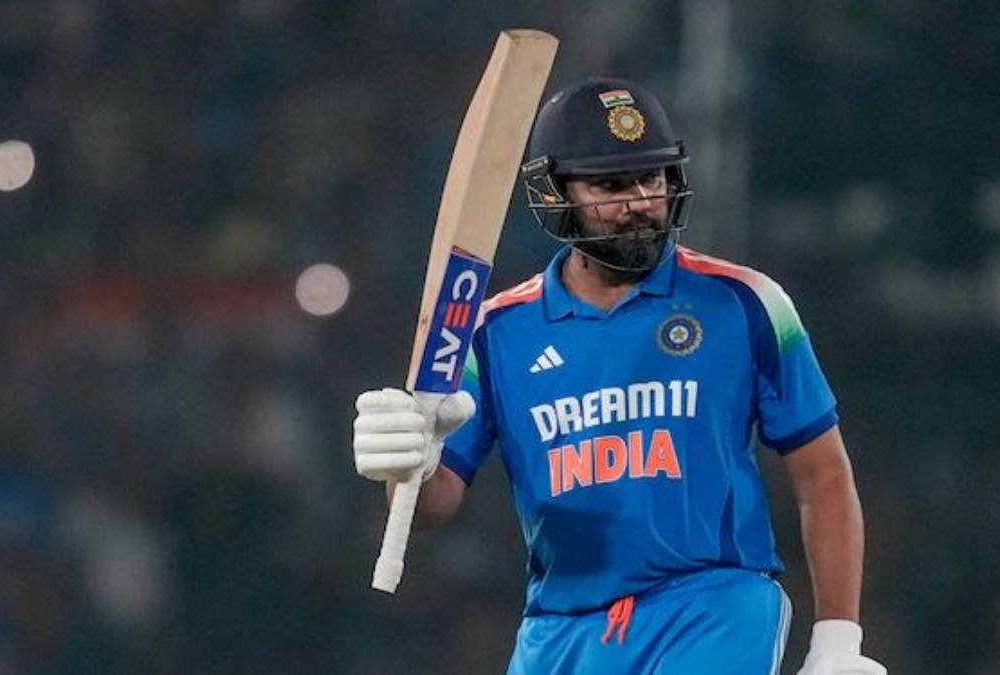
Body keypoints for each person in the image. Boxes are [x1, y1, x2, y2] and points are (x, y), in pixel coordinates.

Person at [352, 77, 888, 675]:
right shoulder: (491, 333)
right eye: (610, 185)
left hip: (710, 608)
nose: (639, 202)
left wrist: (838, 642)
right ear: (556, 193)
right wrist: (411, 466)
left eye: (651, 178)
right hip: (559, 629)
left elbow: (823, 476)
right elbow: (429, 508)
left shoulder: (745, 303)